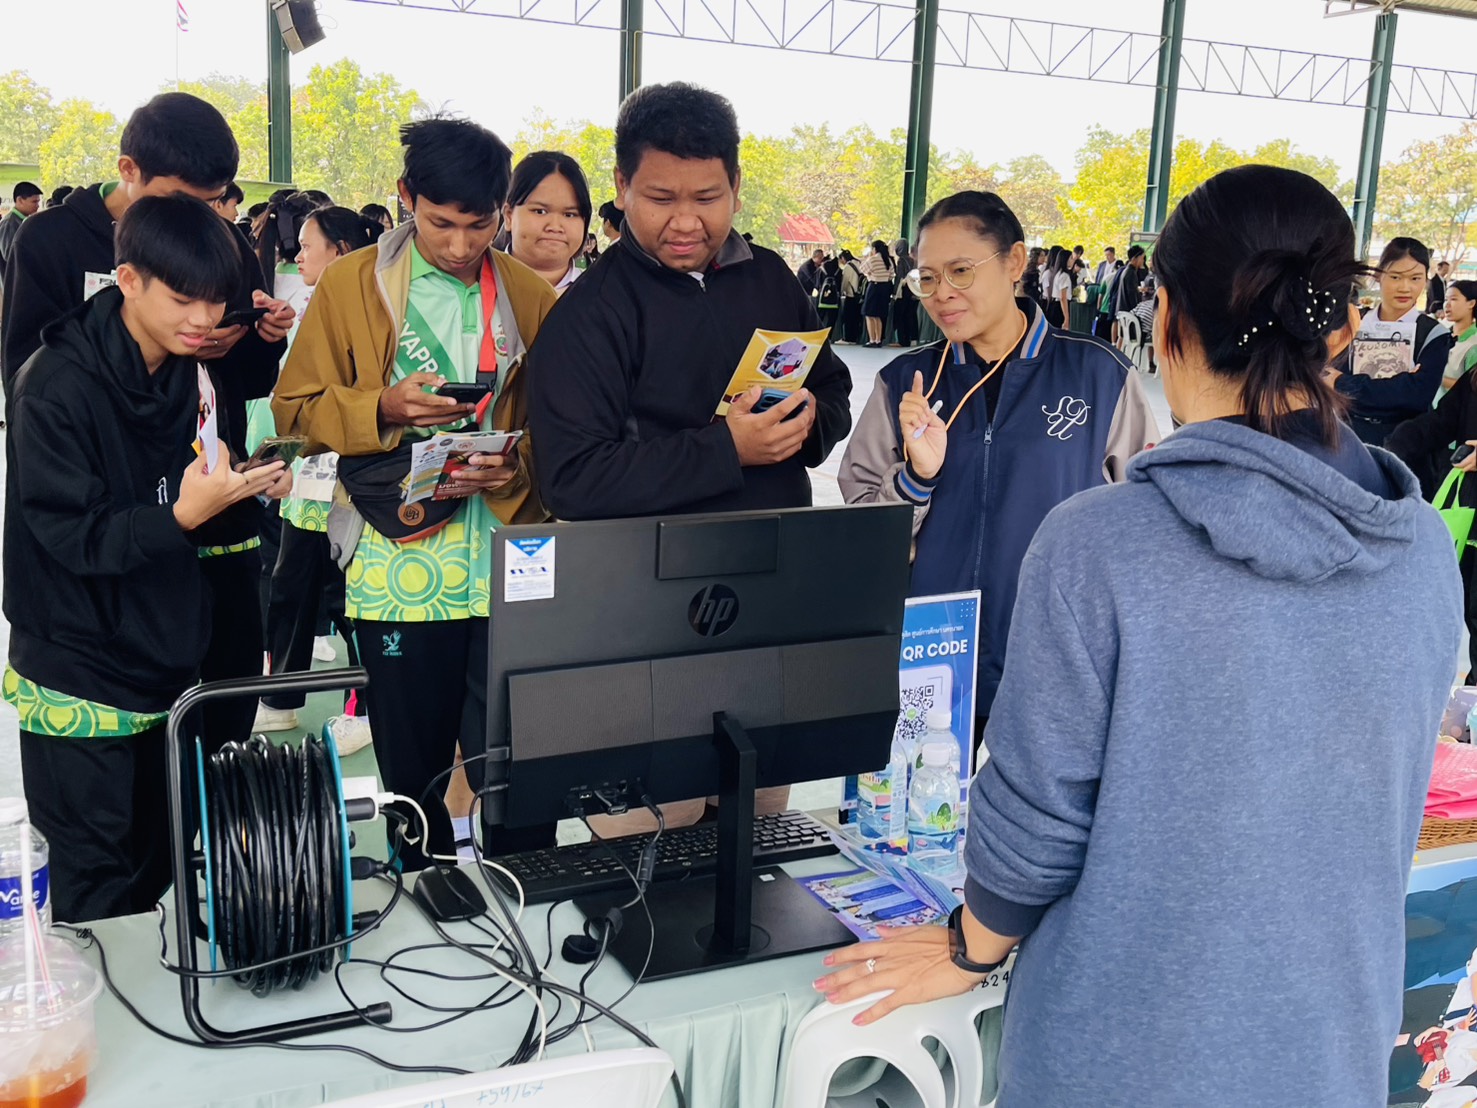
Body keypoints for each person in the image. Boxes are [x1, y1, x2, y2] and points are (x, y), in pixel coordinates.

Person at [817, 165, 1461, 1108]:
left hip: (1121, 1044)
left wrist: (970, 943)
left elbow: (1037, 817)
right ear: (1339, 331)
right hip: (1329, 1038)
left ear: (1166, 322)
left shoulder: (1102, 541)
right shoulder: (1420, 551)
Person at [527, 80, 852, 832]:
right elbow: (572, 480)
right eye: (659, 197)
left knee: (757, 817)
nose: (684, 221)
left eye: (706, 197)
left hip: (765, 600)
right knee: (650, 828)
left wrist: (810, 422)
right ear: (621, 188)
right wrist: (726, 449)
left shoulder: (770, 278)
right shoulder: (591, 314)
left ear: (735, 185)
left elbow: (830, 384)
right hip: (644, 619)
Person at [272, 118, 559, 867]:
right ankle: (420, 891)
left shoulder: (529, 295)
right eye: (440, 223)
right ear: (405, 197)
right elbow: (293, 412)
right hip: (399, 567)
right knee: (413, 773)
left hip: (509, 564)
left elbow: (567, 429)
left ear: (502, 210)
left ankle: (530, 892)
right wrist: (382, 407)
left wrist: (517, 465)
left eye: (480, 224)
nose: (461, 245)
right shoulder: (351, 284)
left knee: (522, 769)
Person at [4, 195, 292, 923]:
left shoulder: (187, 371)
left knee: (155, 857)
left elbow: (187, 484)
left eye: (215, 300)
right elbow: (72, 535)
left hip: (164, 650)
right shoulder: (52, 385)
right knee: (94, 884)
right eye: (182, 299)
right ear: (127, 280)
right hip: (79, 665)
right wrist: (182, 516)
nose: (204, 319)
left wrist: (245, 482)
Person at [0, 92, 295, 755]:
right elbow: (28, 381)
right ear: (129, 170)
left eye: (214, 203)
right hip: (115, 516)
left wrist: (253, 341)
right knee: (124, 730)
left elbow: (244, 382)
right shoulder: (51, 241)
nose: (201, 219)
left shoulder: (221, 242)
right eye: (184, 198)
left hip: (211, 500)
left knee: (216, 714)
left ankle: (204, 808)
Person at [838, 190, 1158, 735]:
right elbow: (862, 531)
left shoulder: (1099, 376)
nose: (941, 293)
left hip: (1056, 659)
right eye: (927, 278)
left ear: (1014, 262)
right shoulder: (905, 384)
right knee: (923, 786)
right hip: (930, 654)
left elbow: (1144, 527)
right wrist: (916, 479)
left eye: (960, 271)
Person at [253, 206, 385, 751]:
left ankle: (367, 709)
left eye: (309, 245)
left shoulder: (373, 312)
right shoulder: (305, 307)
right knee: (291, 590)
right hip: (306, 482)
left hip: (352, 486)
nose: (298, 255)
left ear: (341, 251)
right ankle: (279, 700)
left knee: (350, 601)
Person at [1389, 297, 1477, 681]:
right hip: (1467, 517)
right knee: (1469, 610)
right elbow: (1440, 423)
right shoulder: (1474, 377)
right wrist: (1386, 448)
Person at [1328, 237, 1453, 446]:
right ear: (1378, 275)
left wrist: (1344, 383)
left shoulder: (1434, 334)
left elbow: (1417, 396)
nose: (1405, 287)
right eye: (1395, 277)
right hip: (1347, 436)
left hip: (1403, 443)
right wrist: (1401, 382)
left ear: (1426, 280)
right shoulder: (1353, 321)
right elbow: (1328, 375)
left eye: (1415, 278)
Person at [502, 150, 592, 294]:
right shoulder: (474, 285)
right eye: (540, 211)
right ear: (509, 216)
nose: (555, 227)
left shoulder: (603, 294)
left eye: (569, 214)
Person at [0, 182, 41, 292]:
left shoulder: (22, 221)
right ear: (20, 200)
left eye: (38, 201)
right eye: (34, 202)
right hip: (14, 286)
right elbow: (10, 257)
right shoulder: (10, 223)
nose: (37, 205)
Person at [1107, 245, 1147, 344]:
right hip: (1128, 312)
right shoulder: (1131, 273)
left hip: (1122, 310)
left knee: (1121, 337)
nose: (1143, 261)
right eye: (1142, 258)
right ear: (1135, 258)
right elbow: (1132, 296)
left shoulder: (1127, 271)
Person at [861, 240, 895, 347]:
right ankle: (878, 340)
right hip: (885, 288)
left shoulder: (873, 259)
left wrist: (870, 273)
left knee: (869, 314)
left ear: (874, 249)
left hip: (874, 287)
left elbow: (862, 269)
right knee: (879, 315)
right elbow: (891, 275)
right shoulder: (888, 260)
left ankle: (872, 340)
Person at [892, 238, 919, 348]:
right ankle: (913, 338)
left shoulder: (901, 261)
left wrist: (895, 292)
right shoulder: (912, 260)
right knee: (911, 315)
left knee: (901, 315)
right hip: (913, 290)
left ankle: (902, 340)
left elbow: (900, 277)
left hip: (903, 290)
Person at [837, 248, 864, 345]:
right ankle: (855, 338)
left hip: (851, 295)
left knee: (848, 318)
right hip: (859, 295)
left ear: (843, 258)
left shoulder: (848, 267)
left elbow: (845, 282)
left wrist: (841, 292)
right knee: (856, 318)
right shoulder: (859, 263)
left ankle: (848, 338)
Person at [1042, 244, 1072, 329]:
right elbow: (1062, 297)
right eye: (1071, 258)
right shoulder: (1062, 275)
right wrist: (1067, 318)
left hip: (1054, 304)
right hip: (1055, 304)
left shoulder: (1057, 273)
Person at [815, 253, 842, 335]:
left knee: (819, 319)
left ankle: (818, 336)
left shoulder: (821, 270)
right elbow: (840, 286)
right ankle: (828, 336)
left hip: (821, 300)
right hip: (834, 302)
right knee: (831, 320)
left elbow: (817, 285)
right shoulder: (838, 271)